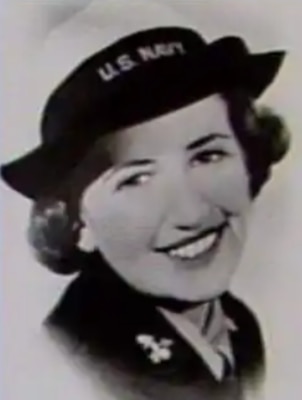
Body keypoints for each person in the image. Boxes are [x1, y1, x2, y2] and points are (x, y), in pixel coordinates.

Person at [1, 25, 290, 400]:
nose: (191, 212)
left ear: (250, 162)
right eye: (136, 179)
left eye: (208, 156)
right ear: (77, 224)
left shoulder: (238, 327)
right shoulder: (73, 368)